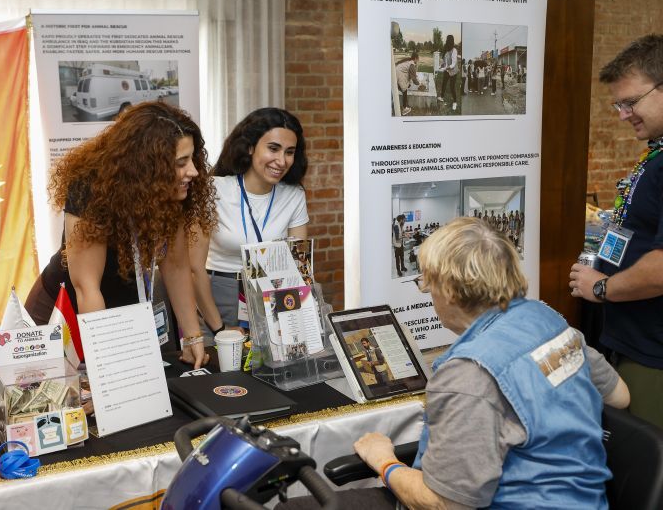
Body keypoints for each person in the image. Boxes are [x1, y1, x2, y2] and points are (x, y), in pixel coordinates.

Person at [278, 217, 629, 510]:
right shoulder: (547, 320)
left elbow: (445, 503)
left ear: (448, 291)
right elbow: (619, 397)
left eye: (426, 283)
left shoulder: (469, 373)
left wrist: (383, 460)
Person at [25, 102, 216, 368]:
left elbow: (176, 264)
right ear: (146, 165)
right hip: (67, 312)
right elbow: (87, 288)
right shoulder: (90, 189)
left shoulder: (171, 188)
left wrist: (192, 337)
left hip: (125, 310)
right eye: (181, 163)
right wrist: (107, 375)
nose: (193, 171)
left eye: (192, 159)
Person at [569, 33, 663, 428]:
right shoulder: (656, 152)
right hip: (633, 339)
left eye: (631, 102)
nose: (624, 115)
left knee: (642, 467)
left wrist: (601, 288)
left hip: (653, 352)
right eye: (618, 105)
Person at [190, 108, 309, 337]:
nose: (282, 161)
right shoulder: (212, 190)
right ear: (251, 147)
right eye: (273, 148)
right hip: (216, 298)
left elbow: (297, 266)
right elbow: (194, 269)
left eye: (290, 152)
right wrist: (219, 328)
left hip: (272, 298)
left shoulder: (294, 196)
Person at [437, 35, 458, 111]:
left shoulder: (454, 50)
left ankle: (455, 102)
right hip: (447, 70)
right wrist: (441, 66)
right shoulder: (446, 49)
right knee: (444, 83)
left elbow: (453, 64)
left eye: (447, 40)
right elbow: (444, 61)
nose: (446, 41)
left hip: (453, 71)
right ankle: (441, 97)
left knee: (452, 87)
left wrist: (445, 68)